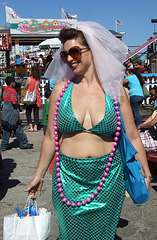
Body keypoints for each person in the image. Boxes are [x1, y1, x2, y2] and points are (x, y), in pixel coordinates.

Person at [24, 22, 152, 240]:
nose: (69, 59)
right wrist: (39, 175)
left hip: (108, 178)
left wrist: (146, 172)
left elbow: (131, 136)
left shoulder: (115, 91)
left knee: (104, 235)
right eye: (65, 55)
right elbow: (48, 138)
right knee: (70, 234)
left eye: (74, 51)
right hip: (67, 180)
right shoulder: (60, 90)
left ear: (92, 50)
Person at [1, 76, 33, 151]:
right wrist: (19, 105)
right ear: (12, 83)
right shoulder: (12, 91)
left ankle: (4, 145)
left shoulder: (5, 90)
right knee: (18, 128)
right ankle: (24, 144)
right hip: (12, 112)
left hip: (5, 113)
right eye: (14, 82)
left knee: (6, 129)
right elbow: (14, 102)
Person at [137, 87, 157, 152]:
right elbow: (151, 118)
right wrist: (140, 126)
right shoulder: (156, 108)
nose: (150, 95)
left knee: (134, 143)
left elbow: (152, 123)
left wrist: (141, 126)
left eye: (152, 94)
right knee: (132, 137)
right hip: (151, 134)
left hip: (155, 139)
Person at [23, 66, 41, 132]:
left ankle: (31, 126)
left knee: (28, 112)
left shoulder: (29, 79)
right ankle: (35, 126)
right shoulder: (38, 79)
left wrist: (23, 87)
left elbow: (25, 87)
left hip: (30, 98)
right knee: (36, 112)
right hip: (36, 97)